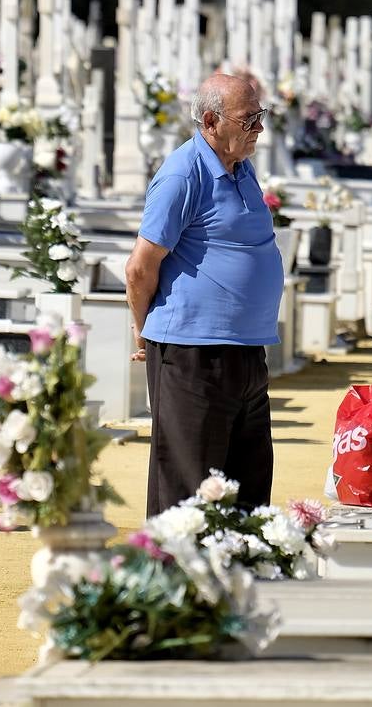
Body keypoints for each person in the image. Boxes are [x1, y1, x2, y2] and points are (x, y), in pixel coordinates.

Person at [125, 73, 284, 517]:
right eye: (249, 118)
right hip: (193, 351)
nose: (259, 128)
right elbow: (140, 267)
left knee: (247, 484)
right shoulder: (182, 174)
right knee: (189, 484)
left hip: (247, 350)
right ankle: (179, 580)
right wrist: (144, 331)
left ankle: (238, 577)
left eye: (260, 116)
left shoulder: (241, 168)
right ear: (211, 120)